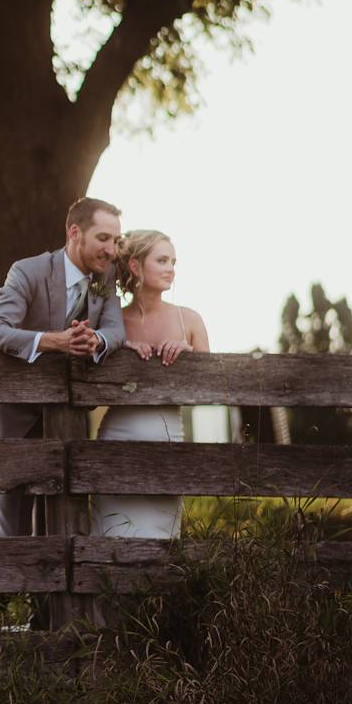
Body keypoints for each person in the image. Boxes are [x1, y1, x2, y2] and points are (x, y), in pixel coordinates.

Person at [0, 197, 126, 539]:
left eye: (116, 241)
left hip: (68, 421)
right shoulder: (29, 271)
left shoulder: (106, 276)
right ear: (75, 232)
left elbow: (116, 330)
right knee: (13, 528)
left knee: (61, 527)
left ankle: (41, 596)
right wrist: (54, 341)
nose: (112, 250)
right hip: (15, 420)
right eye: (103, 238)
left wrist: (96, 341)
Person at [90, 229, 209, 539]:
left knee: (161, 538)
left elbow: (210, 386)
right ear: (135, 266)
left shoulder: (190, 320)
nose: (171, 268)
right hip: (117, 440)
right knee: (113, 535)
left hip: (168, 440)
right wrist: (118, 349)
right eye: (162, 260)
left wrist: (190, 355)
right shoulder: (113, 321)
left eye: (173, 261)